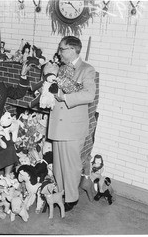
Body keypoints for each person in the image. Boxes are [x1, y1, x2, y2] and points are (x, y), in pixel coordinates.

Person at [48, 36, 96, 212]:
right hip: (58, 124)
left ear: (72, 50)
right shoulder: (59, 68)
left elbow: (89, 95)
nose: (59, 52)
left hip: (73, 127)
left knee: (71, 165)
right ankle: (61, 193)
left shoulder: (87, 70)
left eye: (61, 49)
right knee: (59, 164)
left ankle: (72, 198)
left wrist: (65, 97)